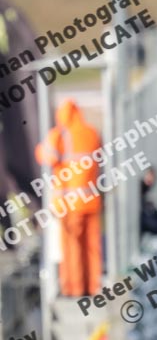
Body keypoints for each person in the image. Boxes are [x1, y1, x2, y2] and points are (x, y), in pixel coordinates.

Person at [35, 99, 102, 297]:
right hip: (91, 202)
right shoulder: (92, 133)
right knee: (92, 248)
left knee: (72, 249)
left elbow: (44, 156)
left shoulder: (62, 135)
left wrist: (54, 134)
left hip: (70, 205)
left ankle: (74, 289)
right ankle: (93, 287)